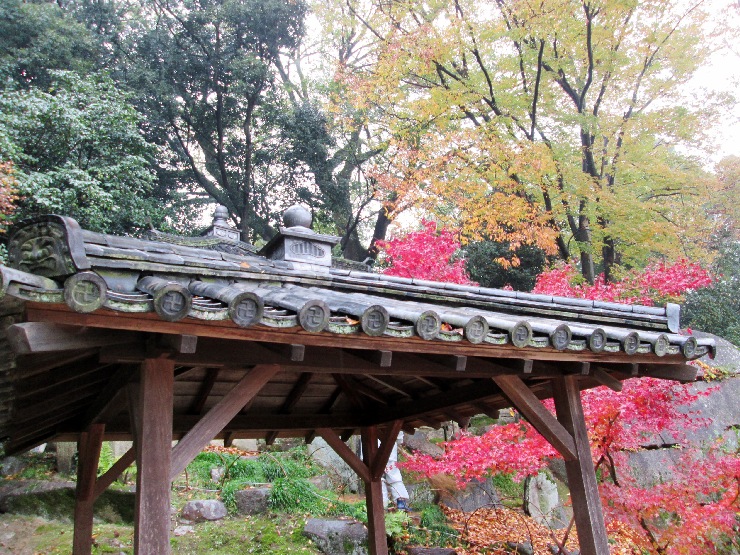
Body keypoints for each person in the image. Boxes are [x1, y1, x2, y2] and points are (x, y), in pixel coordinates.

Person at [382, 431, 411, 512]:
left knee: (377, 477)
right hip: (389, 445)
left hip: (375, 446)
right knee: (392, 474)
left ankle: (382, 504)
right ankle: (400, 502)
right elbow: (399, 438)